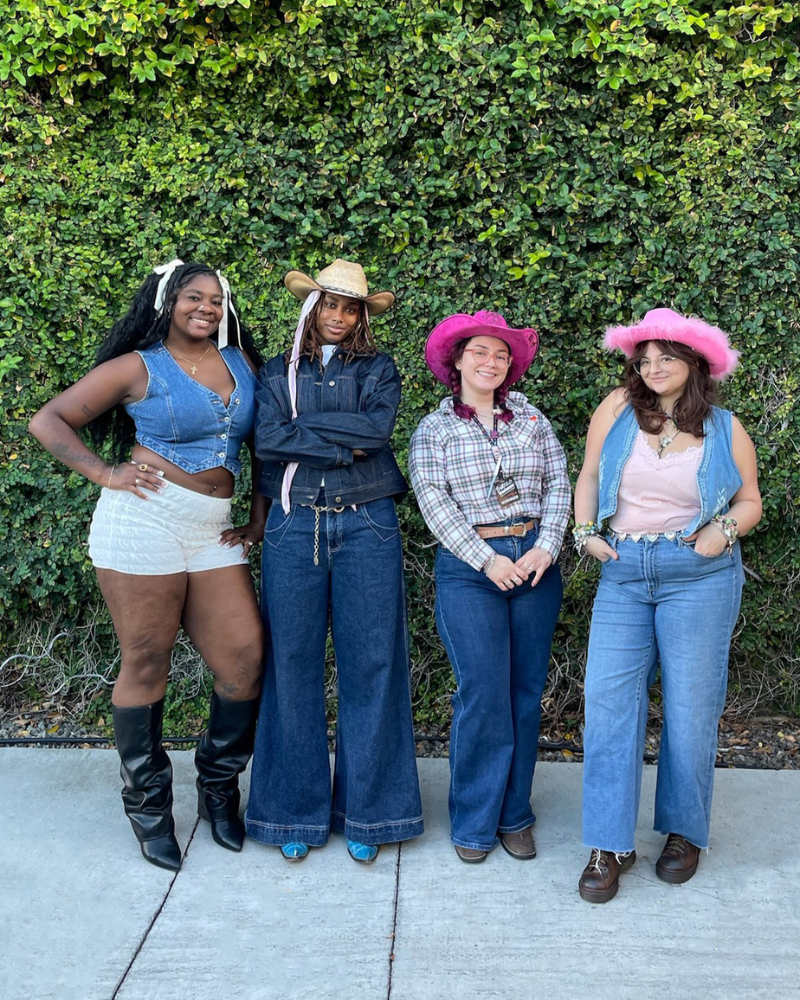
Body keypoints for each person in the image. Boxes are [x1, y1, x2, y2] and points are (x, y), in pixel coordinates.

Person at [28, 259, 266, 872]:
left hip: (212, 529)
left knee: (244, 658)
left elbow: (268, 442)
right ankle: (150, 805)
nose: (207, 308)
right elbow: (47, 419)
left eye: (217, 299)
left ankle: (218, 787)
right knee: (147, 659)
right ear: (168, 301)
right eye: (194, 297)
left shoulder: (241, 362)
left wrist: (259, 514)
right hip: (144, 523)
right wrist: (106, 473)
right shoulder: (137, 366)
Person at [573, 307, 762, 903]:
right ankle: (610, 843)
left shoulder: (726, 427)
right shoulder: (616, 409)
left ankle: (684, 832)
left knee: (689, 706)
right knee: (608, 704)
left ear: (694, 363)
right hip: (625, 572)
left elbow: (750, 500)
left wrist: (722, 532)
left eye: (667, 357)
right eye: (645, 358)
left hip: (698, 575)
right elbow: (587, 476)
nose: (653, 367)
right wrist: (585, 533)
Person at [244, 259, 423, 864]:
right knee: (290, 666)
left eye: (352, 308)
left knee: (372, 665)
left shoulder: (378, 368)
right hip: (294, 526)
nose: (340, 317)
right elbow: (265, 441)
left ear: (363, 315)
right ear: (311, 307)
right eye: (330, 305)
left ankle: (371, 816)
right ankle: (289, 812)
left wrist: (304, 429)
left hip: (369, 523)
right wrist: (334, 440)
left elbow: (374, 434)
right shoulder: (273, 372)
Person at [409, 311, 570, 863]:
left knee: (524, 696)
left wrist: (546, 547)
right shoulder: (435, 430)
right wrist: (485, 560)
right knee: (482, 695)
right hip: (470, 567)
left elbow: (558, 484)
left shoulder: (532, 421)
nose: (491, 362)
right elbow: (433, 500)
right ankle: (475, 820)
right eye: (479, 352)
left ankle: (514, 815)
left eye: (501, 355)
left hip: (534, 563)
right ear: (456, 361)